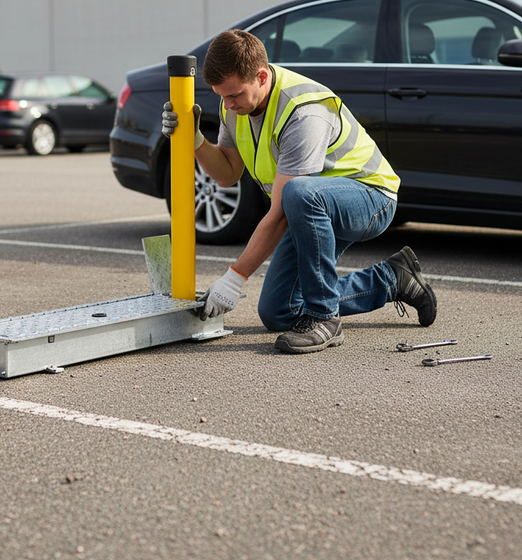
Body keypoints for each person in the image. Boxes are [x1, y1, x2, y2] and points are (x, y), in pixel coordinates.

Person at [161, 29, 436, 354]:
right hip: (310, 205)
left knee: (299, 194)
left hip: (370, 197)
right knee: (278, 311)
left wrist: (234, 278)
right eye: (221, 96)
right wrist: (195, 141)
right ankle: (393, 279)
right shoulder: (234, 107)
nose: (228, 104)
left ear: (261, 76)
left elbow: (280, 213)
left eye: (234, 94)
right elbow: (226, 173)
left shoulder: (302, 111)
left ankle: (325, 318)